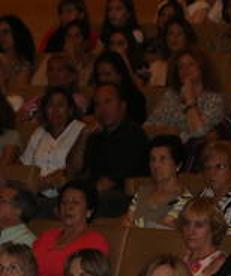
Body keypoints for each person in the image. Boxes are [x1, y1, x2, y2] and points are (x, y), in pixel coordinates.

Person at [82, 83, 150, 219]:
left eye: (108, 102)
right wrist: (83, 137)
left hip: (124, 194)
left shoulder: (134, 134)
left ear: (122, 106)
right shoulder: (95, 135)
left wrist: (86, 192)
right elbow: (74, 169)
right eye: (97, 104)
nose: (103, 109)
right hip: (94, 190)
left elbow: (114, 180)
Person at [124, 135, 192, 230]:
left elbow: (161, 230)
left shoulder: (184, 200)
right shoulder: (142, 191)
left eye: (162, 159)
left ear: (178, 165)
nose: (156, 165)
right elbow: (126, 222)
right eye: (153, 159)